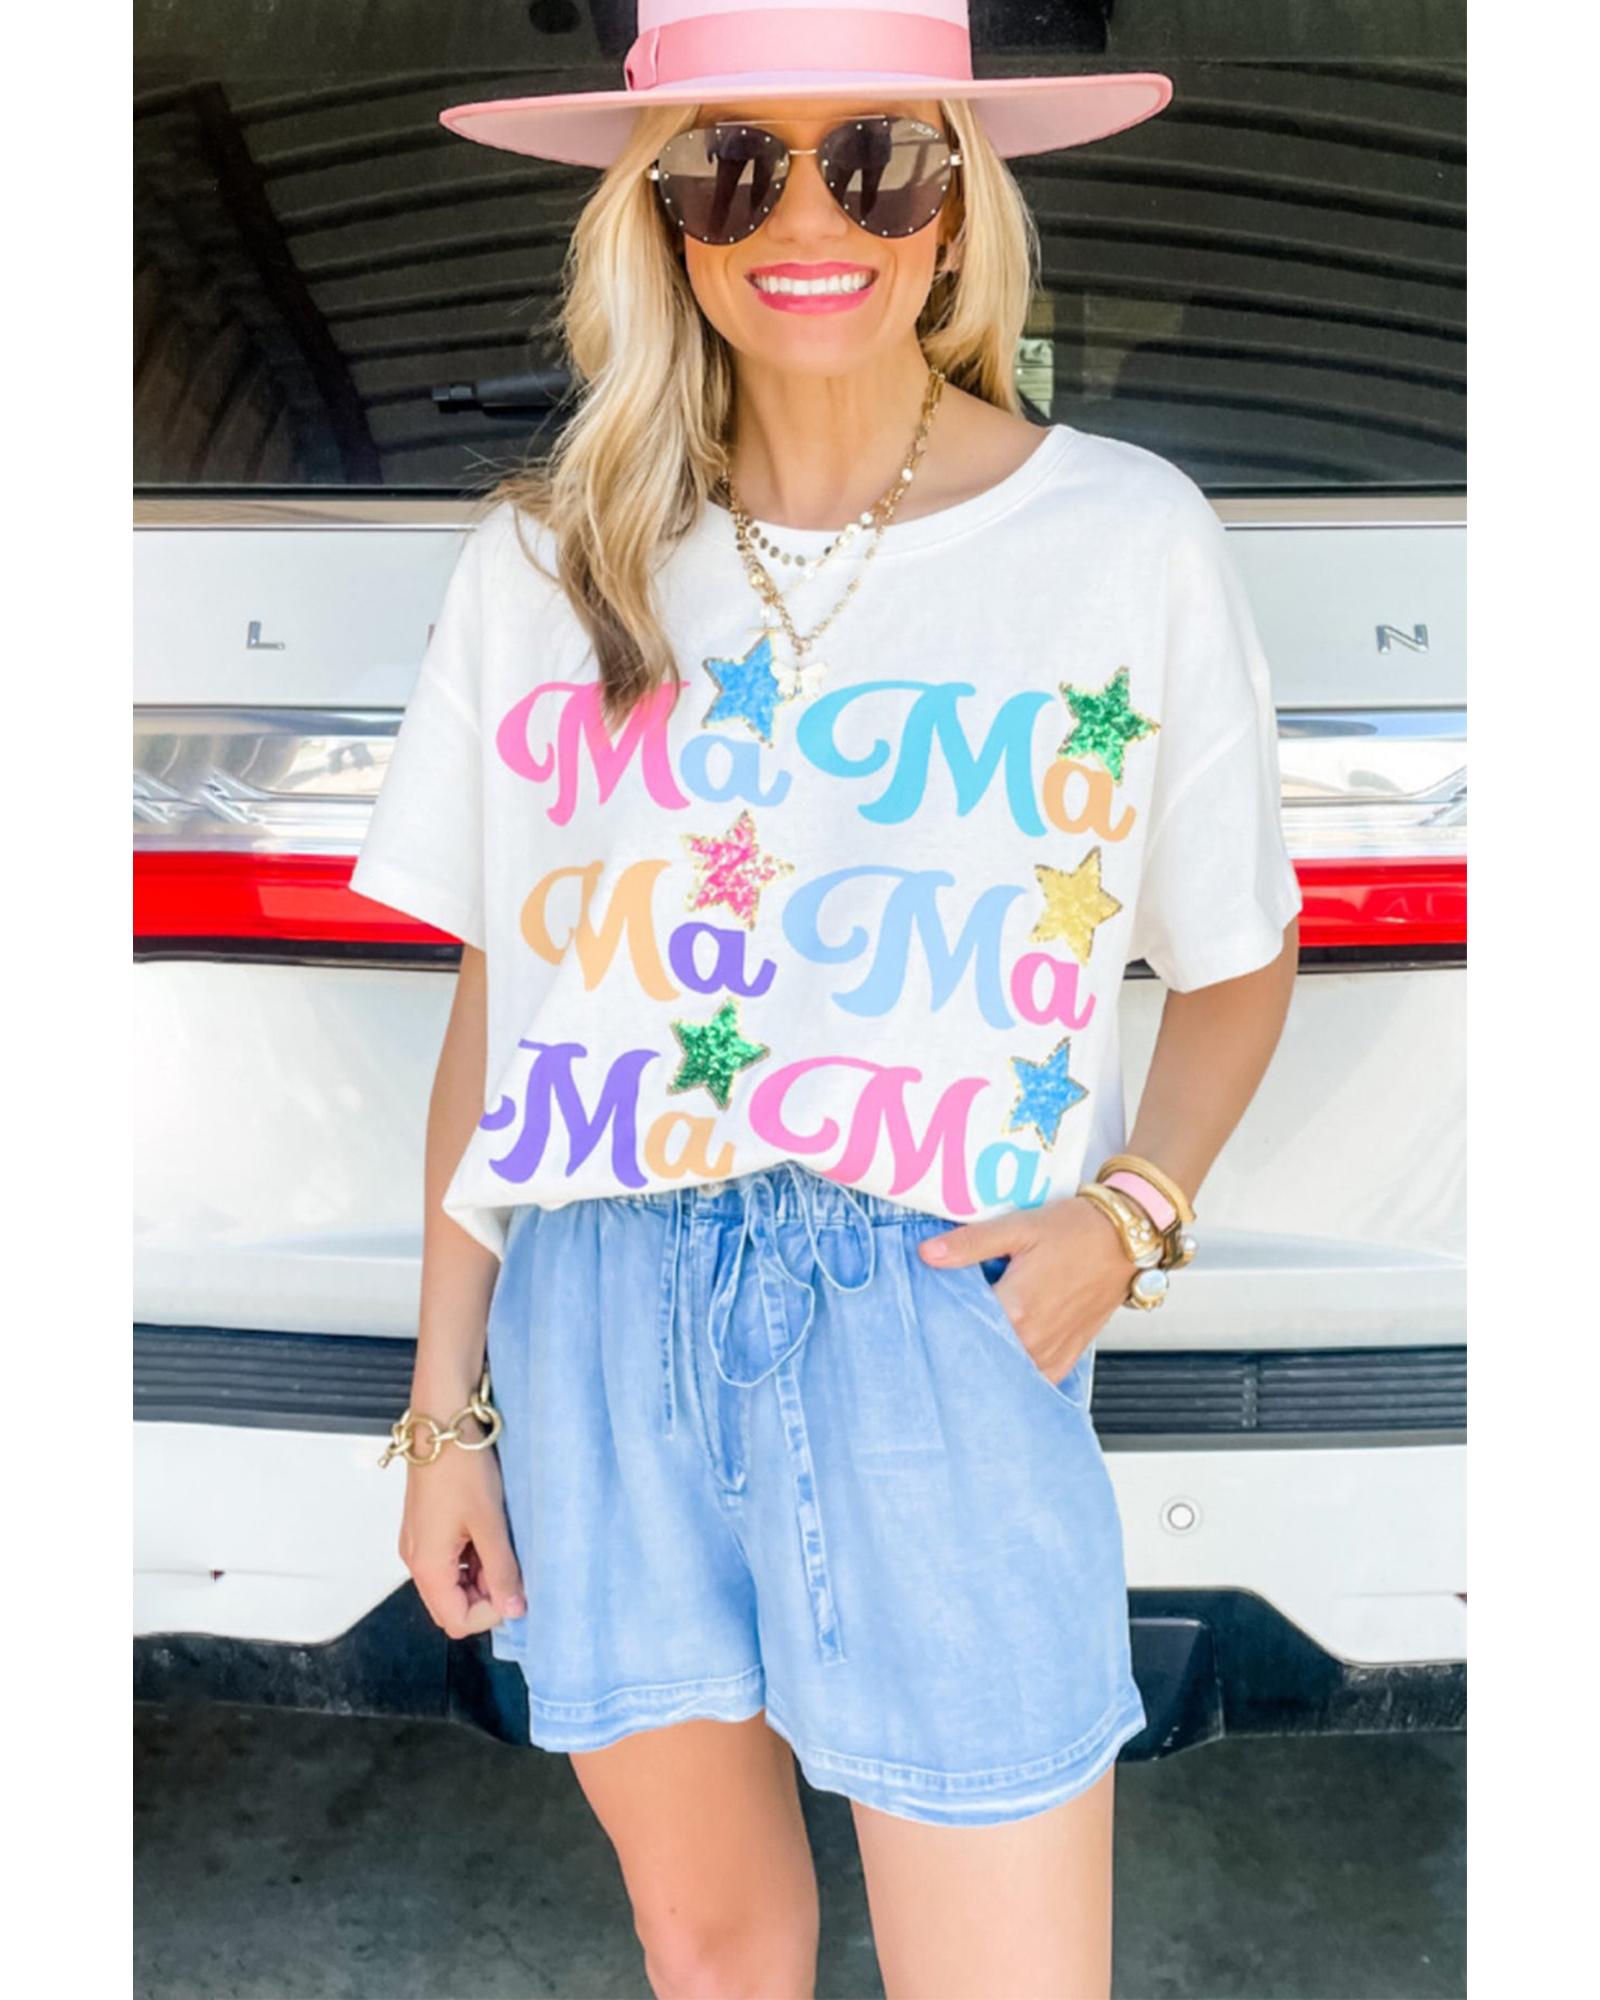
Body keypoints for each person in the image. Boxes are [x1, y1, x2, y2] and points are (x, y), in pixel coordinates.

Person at [353, 6, 1302, 1994]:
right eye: (730, 166)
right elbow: (504, 1004)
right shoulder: (550, 560)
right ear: (660, 218)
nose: (807, 218)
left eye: (873, 159)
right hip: (599, 1305)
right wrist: (446, 1407)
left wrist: (1126, 1218)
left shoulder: (1118, 537)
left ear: (954, 206)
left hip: (934, 1312)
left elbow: (1234, 959)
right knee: (710, 1951)